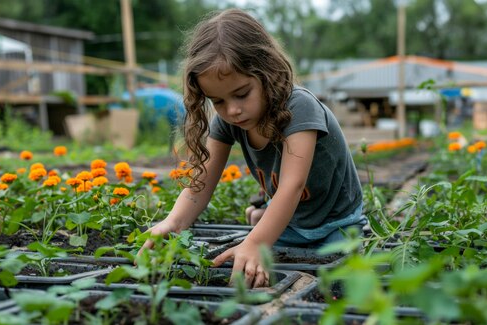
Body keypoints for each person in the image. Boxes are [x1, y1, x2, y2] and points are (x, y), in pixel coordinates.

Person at [137, 8, 367, 288]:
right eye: (218, 101)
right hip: (289, 225)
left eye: (242, 93)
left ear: (266, 73)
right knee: (251, 274)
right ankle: (264, 217)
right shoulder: (229, 120)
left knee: (340, 282)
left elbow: (292, 186)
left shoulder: (300, 108)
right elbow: (202, 182)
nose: (232, 109)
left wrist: (257, 241)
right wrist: (173, 222)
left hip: (335, 224)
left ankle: (264, 219)